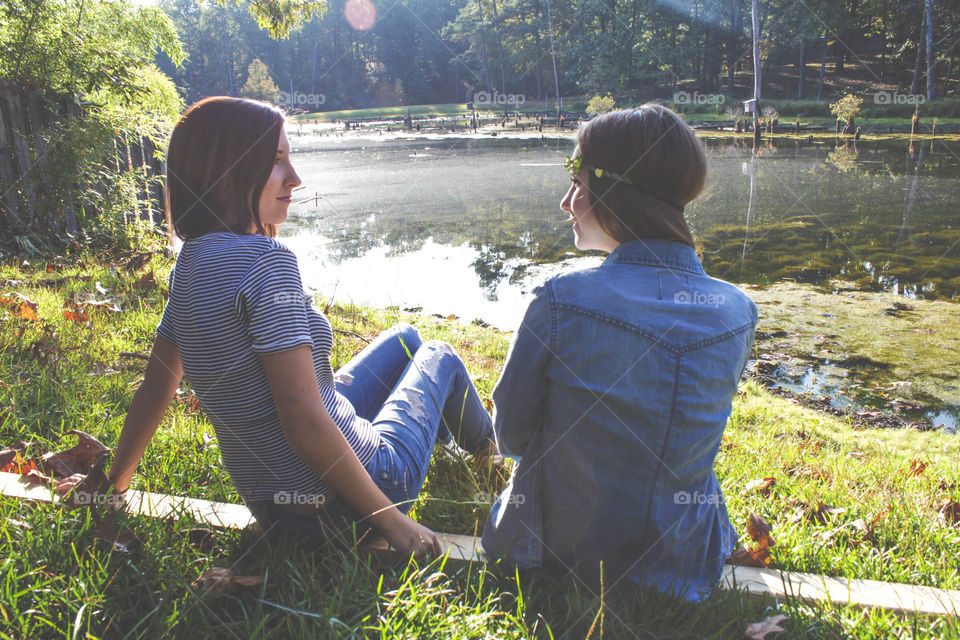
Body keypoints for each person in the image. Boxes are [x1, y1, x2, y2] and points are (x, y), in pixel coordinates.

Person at [103, 96, 496, 556]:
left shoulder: (190, 263)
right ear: (227, 172)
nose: (295, 178)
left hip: (275, 506)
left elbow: (156, 386)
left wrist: (112, 486)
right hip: (355, 497)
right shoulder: (269, 265)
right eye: (275, 161)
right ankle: (488, 451)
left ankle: (442, 440)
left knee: (407, 338)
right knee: (440, 354)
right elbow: (303, 420)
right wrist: (393, 522)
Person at [481, 105, 758, 602]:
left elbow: (512, 436)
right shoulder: (737, 311)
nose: (567, 202)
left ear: (613, 191)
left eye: (578, 183)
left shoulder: (560, 299)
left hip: (553, 555)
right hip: (686, 561)